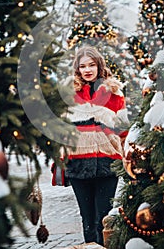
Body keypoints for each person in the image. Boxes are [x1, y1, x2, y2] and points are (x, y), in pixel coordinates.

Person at [65, 45, 129, 245]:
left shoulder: (114, 93)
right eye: (83, 66)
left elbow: (123, 130)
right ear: (77, 69)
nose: (87, 70)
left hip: (107, 163)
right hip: (78, 164)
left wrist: (127, 157)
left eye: (91, 65)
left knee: (103, 218)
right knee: (87, 220)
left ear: (99, 66)